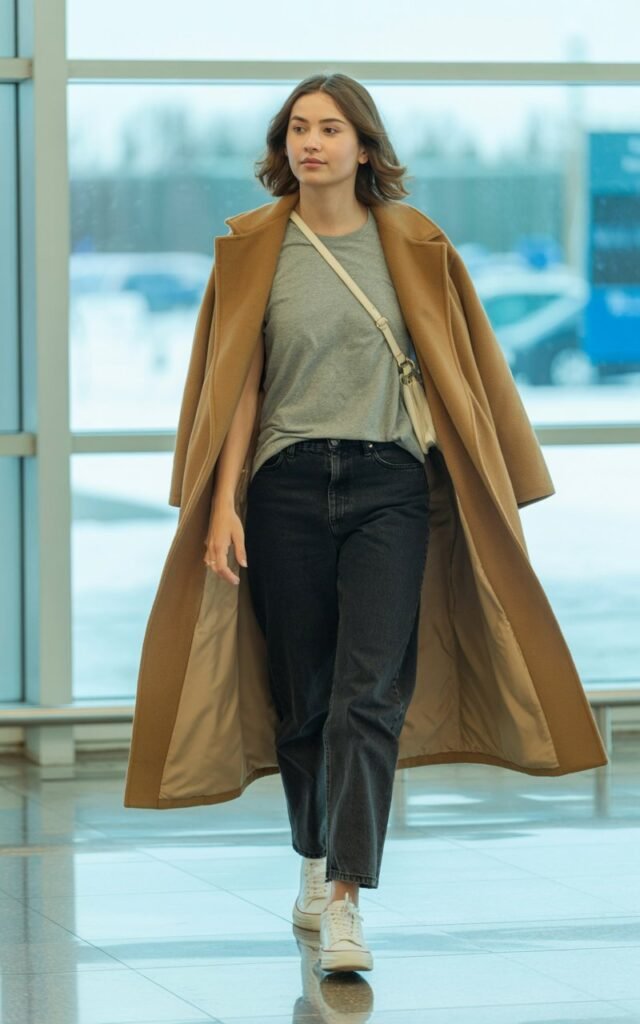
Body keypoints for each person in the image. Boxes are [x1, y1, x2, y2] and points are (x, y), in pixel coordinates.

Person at [204, 73, 433, 974]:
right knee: (301, 698)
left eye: (332, 129)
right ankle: (311, 855)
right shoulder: (257, 247)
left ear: (365, 147)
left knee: (366, 695)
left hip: (389, 482)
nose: (313, 143)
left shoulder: (412, 244)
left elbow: (454, 366)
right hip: (284, 487)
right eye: (299, 128)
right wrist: (225, 502)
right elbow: (240, 386)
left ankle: (345, 896)